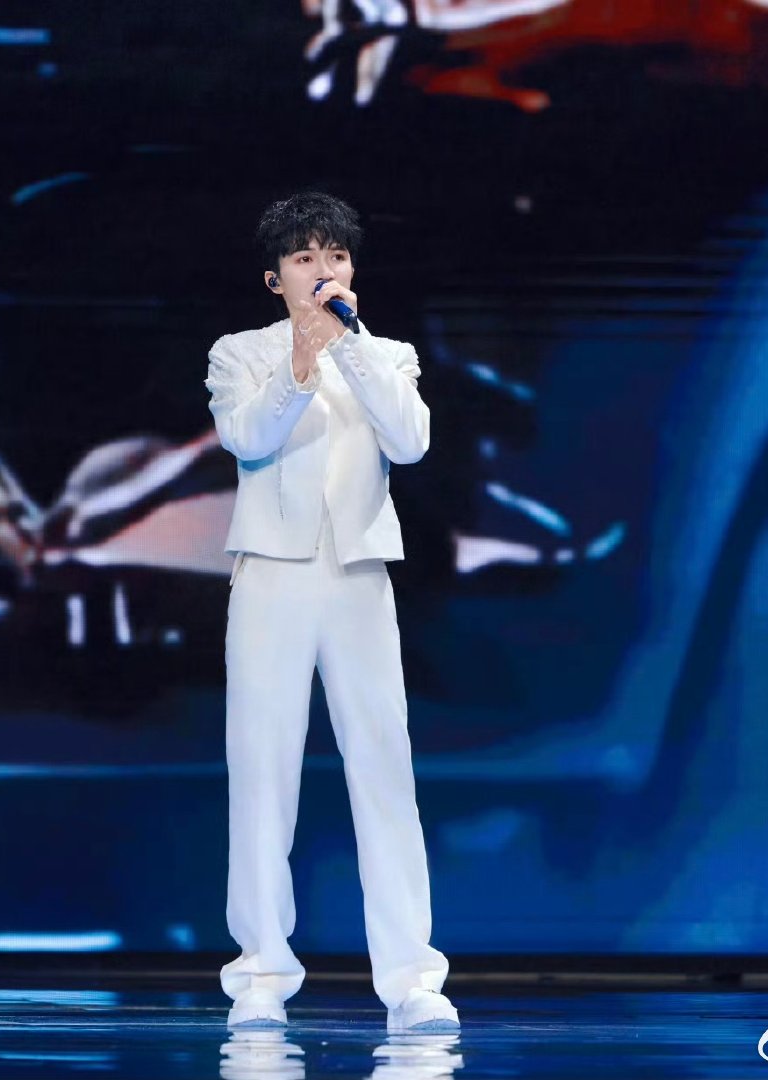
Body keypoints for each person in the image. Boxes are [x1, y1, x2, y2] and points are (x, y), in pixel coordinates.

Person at [203, 191, 458, 1034]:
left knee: (384, 770)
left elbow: (410, 442)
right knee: (262, 774)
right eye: (306, 258)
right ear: (274, 278)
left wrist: (348, 347)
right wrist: (301, 360)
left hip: (358, 577)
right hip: (271, 579)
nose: (324, 270)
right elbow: (247, 438)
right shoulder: (239, 353)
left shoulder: (387, 355)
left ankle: (413, 981)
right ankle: (260, 976)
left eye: (337, 256)